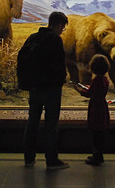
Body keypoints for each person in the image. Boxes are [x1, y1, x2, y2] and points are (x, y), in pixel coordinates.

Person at [23, 11, 69, 170]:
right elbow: (60, 64)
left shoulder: (33, 37)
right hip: (51, 90)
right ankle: (52, 161)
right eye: (63, 27)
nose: (62, 30)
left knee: (32, 122)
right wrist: (60, 81)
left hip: (34, 88)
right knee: (51, 125)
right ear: (59, 25)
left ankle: (29, 159)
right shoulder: (55, 39)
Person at [73, 54, 111, 166]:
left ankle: (96, 157)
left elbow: (89, 94)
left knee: (96, 134)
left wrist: (77, 89)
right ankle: (99, 155)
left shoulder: (96, 80)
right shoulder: (105, 79)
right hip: (102, 107)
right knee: (100, 134)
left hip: (95, 108)